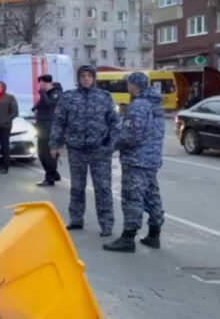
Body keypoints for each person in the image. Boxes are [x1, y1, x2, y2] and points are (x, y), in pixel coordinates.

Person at [50, 65, 120, 237]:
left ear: (94, 78)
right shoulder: (68, 98)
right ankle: (76, 219)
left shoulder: (104, 97)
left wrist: (111, 144)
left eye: (89, 76)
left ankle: (106, 224)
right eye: (83, 76)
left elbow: (115, 122)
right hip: (76, 149)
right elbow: (59, 122)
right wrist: (54, 144)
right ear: (79, 78)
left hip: (99, 150)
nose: (86, 78)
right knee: (77, 187)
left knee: (103, 188)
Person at [104, 72, 165, 253]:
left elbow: (131, 135)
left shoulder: (138, 105)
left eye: (128, 84)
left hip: (136, 159)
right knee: (152, 195)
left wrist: (111, 147)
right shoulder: (156, 104)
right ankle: (154, 234)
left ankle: (128, 237)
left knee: (132, 197)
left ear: (133, 85)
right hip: (152, 158)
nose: (127, 87)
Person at [32, 75, 63, 186]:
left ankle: (50, 177)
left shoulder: (56, 94)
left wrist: (42, 92)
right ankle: (53, 174)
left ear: (47, 83)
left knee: (49, 155)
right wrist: (35, 109)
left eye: (42, 83)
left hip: (51, 129)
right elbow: (39, 106)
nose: (40, 85)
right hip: (41, 128)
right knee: (41, 154)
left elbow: (48, 104)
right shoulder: (46, 94)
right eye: (39, 83)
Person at [0, 81, 18, 174]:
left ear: (3, 87)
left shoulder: (10, 98)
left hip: (4, 126)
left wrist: (7, 120)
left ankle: (5, 167)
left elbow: (14, 111)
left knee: (5, 147)